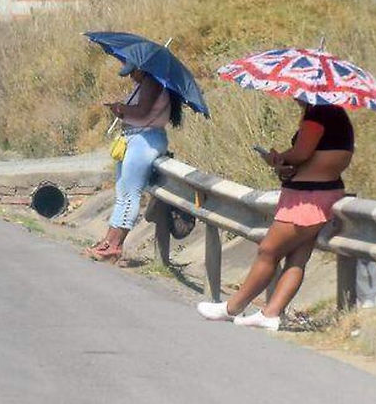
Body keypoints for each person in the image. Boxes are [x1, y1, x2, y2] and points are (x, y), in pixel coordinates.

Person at [197, 101, 354, 331]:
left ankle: (232, 307)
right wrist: (287, 165)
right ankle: (270, 314)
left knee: (268, 251)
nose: (294, 97)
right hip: (323, 192)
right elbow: (317, 158)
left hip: (308, 198)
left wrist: (279, 158)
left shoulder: (319, 113)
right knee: (297, 258)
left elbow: (301, 153)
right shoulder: (335, 114)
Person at [87, 61, 183, 262]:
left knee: (130, 194)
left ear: (142, 68)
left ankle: (114, 245)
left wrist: (120, 109)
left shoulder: (151, 83)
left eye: (133, 72)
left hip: (143, 141)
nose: (131, 77)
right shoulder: (149, 83)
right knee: (122, 192)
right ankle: (108, 241)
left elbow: (142, 112)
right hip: (139, 139)